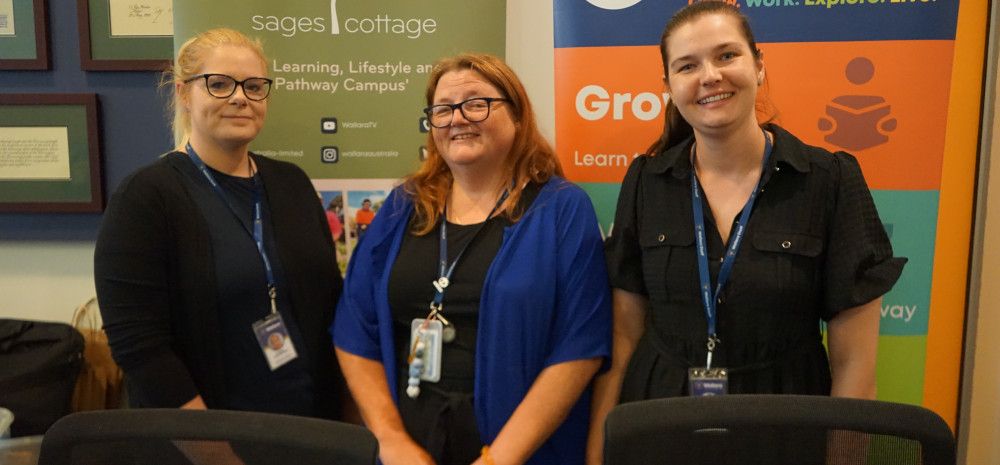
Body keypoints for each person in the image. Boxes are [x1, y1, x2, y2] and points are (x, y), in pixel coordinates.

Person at [589, 2, 906, 463]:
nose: (710, 76)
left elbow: (855, 366)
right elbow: (624, 339)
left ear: (759, 66)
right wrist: (599, 451)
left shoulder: (828, 180)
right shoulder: (645, 181)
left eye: (726, 56)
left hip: (785, 426)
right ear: (669, 87)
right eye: (687, 66)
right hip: (658, 422)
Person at [333, 53, 611, 465]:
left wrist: (499, 459)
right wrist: (390, 440)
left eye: (477, 103)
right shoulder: (402, 207)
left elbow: (580, 346)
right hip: (410, 445)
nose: (458, 119)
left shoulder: (562, 209)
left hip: (523, 451)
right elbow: (355, 327)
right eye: (442, 109)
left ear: (517, 116)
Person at [94, 28, 343, 420]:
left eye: (254, 86)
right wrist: (211, 450)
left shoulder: (292, 184)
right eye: (219, 84)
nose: (240, 97)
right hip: (210, 438)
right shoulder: (144, 198)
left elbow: (331, 307)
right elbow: (140, 348)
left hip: (310, 432)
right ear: (183, 93)